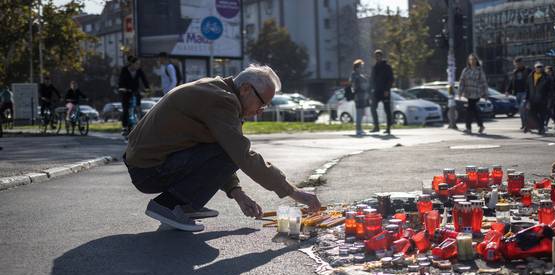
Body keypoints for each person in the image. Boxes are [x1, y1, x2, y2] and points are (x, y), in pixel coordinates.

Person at [123, 64, 321, 232]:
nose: (260, 112)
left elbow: (217, 147)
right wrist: (294, 192)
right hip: (149, 170)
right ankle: (169, 204)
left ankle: (184, 205)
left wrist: (237, 193)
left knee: (228, 149)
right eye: (262, 104)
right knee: (234, 151)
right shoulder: (223, 101)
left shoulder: (217, 90)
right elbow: (241, 155)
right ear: (245, 89)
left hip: (146, 163)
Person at [119, 55, 150, 135]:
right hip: (126, 92)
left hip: (136, 91)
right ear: (131, 64)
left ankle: (141, 125)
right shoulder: (124, 70)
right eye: (136, 64)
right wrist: (122, 88)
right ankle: (125, 127)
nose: (138, 65)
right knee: (126, 110)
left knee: (138, 108)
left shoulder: (139, 70)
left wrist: (147, 88)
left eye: (138, 64)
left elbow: (144, 79)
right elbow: (121, 80)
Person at [459, 53, 489, 134]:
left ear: (476, 61)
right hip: (468, 93)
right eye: (470, 59)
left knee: (469, 110)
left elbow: (484, 82)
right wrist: (460, 91)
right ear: (468, 61)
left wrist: (486, 93)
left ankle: (468, 128)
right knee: (474, 110)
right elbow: (462, 81)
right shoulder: (465, 70)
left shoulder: (479, 70)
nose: (472, 61)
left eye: (474, 59)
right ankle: (481, 125)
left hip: (476, 93)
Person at [369, 49, 394, 134]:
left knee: (387, 110)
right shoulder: (374, 67)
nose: (377, 57)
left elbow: (391, 79)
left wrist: (387, 90)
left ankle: (388, 128)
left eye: (378, 56)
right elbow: (371, 79)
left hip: (385, 91)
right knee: (372, 108)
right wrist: (371, 90)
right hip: (376, 92)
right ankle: (376, 127)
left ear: (381, 56)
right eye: (376, 56)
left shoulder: (387, 67)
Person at [525, 62, 553, 135]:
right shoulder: (530, 76)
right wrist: (527, 99)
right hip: (532, 99)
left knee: (542, 115)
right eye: (537, 67)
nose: (539, 68)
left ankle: (541, 129)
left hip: (543, 100)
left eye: (540, 67)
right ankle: (540, 127)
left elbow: (550, 89)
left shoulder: (546, 77)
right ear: (535, 68)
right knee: (532, 114)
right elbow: (528, 88)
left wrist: (548, 98)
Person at [505, 57, 531, 131]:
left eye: (519, 63)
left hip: (525, 92)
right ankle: (523, 124)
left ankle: (526, 125)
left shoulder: (528, 70)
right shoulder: (515, 72)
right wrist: (507, 90)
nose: (517, 65)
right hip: (518, 93)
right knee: (521, 110)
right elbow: (511, 82)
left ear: (522, 63)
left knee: (523, 108)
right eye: (516, 64)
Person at [350, 59, 368, 136]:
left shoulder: (360, 75)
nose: (362, 68)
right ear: (357, 67)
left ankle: (360, 128)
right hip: (358, 96)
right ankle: (358, 129)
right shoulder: (354, 74)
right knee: (359, 113)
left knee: (362, 113)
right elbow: (353, 85)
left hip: (363, 96)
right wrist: (354, 94)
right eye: (361, 66)